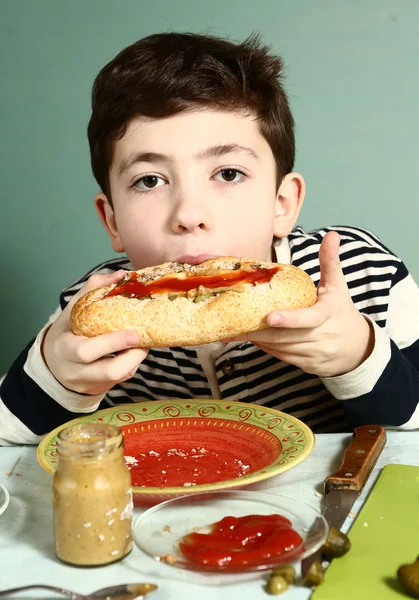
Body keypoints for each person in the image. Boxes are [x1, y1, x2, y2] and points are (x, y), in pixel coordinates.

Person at [1, 32, 419, 445]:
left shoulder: (362, 274)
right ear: (112, 220)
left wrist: (358, 357)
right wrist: (54, 378)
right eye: (149, 181)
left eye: (228, 174)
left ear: (283, 203)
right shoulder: (92, 311)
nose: (189, 215)